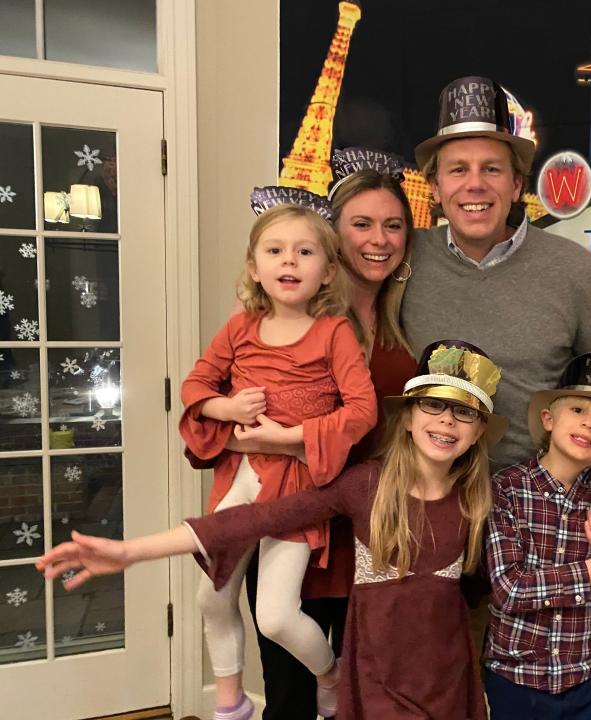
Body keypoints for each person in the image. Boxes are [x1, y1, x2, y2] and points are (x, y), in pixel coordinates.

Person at [38, 340, 507, 720]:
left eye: (463, 412)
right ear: (407, 417)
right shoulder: (368, 485)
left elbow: (481, 591)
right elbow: (253, 519)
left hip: (449, 686)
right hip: (377, 686)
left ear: (480, 429)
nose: (446, 421)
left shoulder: (479, 502)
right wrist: (131, 552)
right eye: (432, 406)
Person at [227, 152, 420, 720]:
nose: (379, 240)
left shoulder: (409, 327)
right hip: (295, 526)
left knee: (367, 694)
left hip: (376, 533)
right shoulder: (282, 324)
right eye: (361, 224)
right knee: (290, 696)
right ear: (330, 239)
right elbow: (226, 430)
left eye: (394, 225)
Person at [403, 76, 591, 528]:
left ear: (517, 186)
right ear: (434, 188)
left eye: (491, 170)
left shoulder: (569, 266)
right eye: (458, 170)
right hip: (427, 499)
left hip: (537, 510)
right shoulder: (404, 261)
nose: (475, 186)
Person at [179, 200, 377, 719]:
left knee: (275, 616)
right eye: (275, 250)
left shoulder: (334, 332)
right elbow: (195, 386)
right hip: (239, 479)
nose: (289, 262)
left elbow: (362, 410)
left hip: (297, 489)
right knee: (210, 597)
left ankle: (330, 674)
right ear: (254, 266)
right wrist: (225, 406)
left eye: (305, 251)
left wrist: (290, 436)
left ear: (328, 270)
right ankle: (230, 704)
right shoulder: (240, 325)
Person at [484, 352, 591, 719]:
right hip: (518, 679)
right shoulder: (508, 489)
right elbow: (508, 590)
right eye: (577, 410)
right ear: (548, 419)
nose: (589, 424)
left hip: (586, 678)